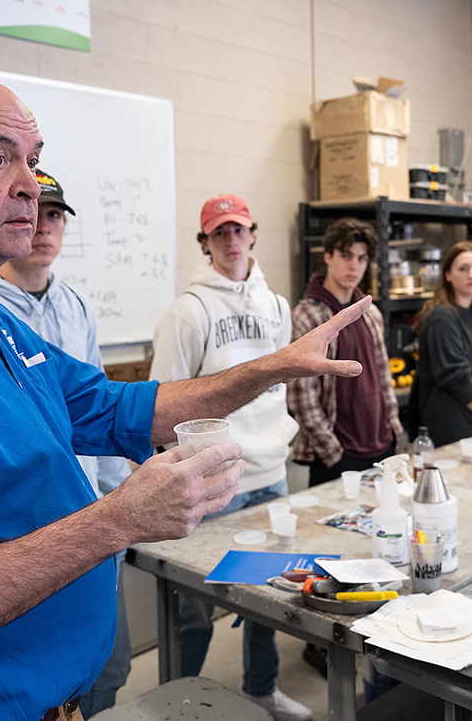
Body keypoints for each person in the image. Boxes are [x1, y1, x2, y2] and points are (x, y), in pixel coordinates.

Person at [0, 73, 368, 721]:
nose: (30, 184)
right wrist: (117, 521)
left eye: (35, 159)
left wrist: (272, 367)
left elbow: (116, 408)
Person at [149, 195, 310, 721]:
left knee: (267, 596)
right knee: (194, 608)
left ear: (253, 234)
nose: (231, 240)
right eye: (220, 233)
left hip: (269, 473)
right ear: (206, 242)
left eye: (239, 229)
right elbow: (163, 399)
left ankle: (261, 688)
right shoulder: (187, 312)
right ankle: (179, 706)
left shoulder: (278, 305)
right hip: (214, 483)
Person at [0, 168, 133, 718]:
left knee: (108, 666)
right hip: (29, 532)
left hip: (96, 518)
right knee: (43, 686)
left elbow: (98, 409)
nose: (44, 227)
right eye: (37, 212)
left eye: (55, 216)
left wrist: (121, 498)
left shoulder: (76, 306)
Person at [288, 218, 402, 487]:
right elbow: (302, 397)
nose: (354, 266)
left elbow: (384, 376)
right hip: (338, 455)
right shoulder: (308, 315)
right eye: (346, 255)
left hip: (381, 444)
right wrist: (333, 453)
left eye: (362, 258)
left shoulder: (370, 312)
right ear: (327, 256)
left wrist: (394, 428)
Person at [411, 241, 472, 447]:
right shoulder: (442, 317)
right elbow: (457, 378)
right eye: (463, 269)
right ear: (448, 275)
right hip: (454, 430)